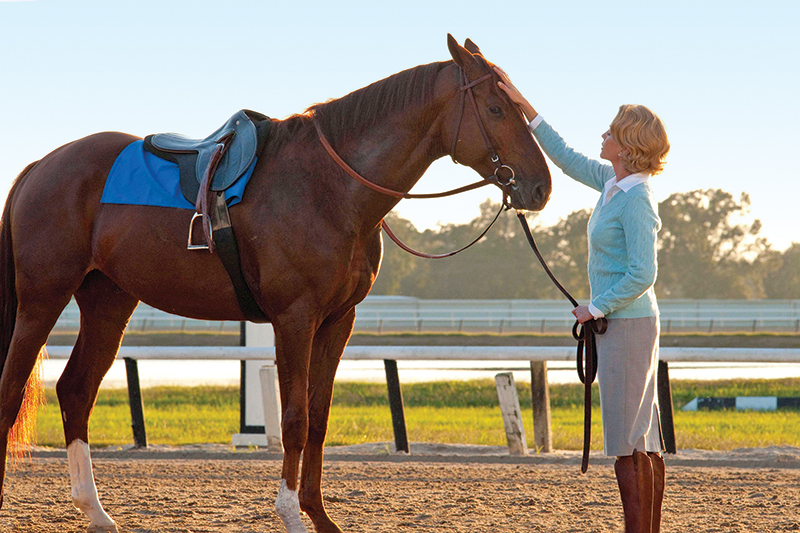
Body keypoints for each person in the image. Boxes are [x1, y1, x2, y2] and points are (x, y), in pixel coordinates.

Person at [496, 67, 670, 533]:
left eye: (611, 132)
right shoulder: (612, 184)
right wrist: (522, 105)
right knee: (642, 440)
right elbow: (566, 157)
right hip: (626, 324)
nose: (603, 135)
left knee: (628, 444)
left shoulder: (636, 199)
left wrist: (596, 307)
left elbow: (643, 272)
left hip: (626, 325)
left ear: (628, 147)